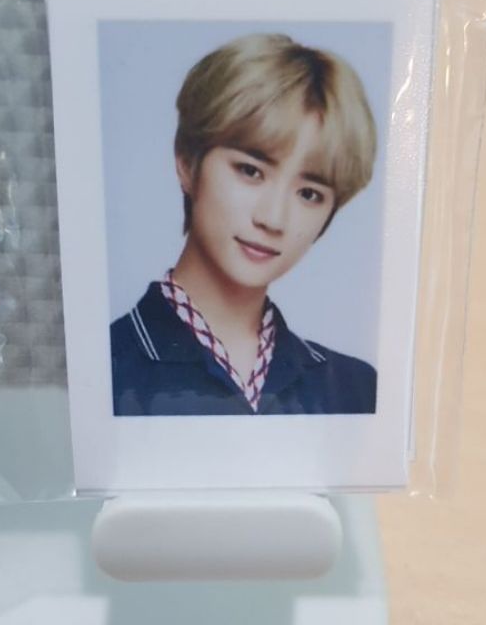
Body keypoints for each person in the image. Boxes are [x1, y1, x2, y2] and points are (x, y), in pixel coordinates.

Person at [111, 33, 378, 416]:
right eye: (250, 171)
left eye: (309, 193)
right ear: (187, 162)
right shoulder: (107, 368)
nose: (273, 218)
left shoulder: (355, 389)